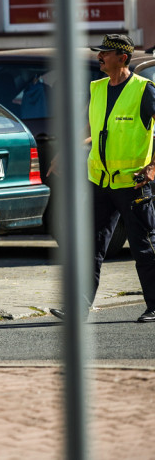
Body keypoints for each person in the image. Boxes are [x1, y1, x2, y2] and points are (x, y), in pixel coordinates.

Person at [52, 34, 155, 323]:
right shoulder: (97, 89)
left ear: (122, 58)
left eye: (105, 53)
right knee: (90, 245)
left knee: (144, 246)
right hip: (100, 182)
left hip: (132, 183)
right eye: (99, 52)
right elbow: (92, 126)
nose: (99, 57)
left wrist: (152, 169)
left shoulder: (143, 90)